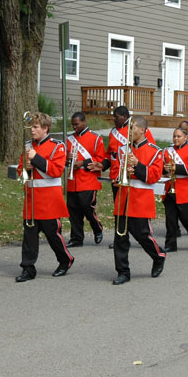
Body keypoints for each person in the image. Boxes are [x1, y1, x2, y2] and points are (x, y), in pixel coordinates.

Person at [15, 112, 74, 282]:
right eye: (31, 127)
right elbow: (21, 171)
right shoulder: (27, 145)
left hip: (49, 198)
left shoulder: (58, 146)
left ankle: (65, 260)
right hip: (31, 197)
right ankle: (28, 268)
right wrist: (26, 168)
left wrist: (35, 159)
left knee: (52, 234)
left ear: (45, 128)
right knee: (29, 236)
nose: (32, 130)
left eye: (35, 127)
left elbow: (56, 171)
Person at [112, 116, 166, 285]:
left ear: (142, 130)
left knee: (143, 235)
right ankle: (123, 271)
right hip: (123, 197)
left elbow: (154, 177)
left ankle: (158, 256)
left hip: (141, 199)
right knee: (120, 237)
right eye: (128, 128)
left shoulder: (155, 151)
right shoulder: (122, 150)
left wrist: (137, 164)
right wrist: (121, 174)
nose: (129, 131)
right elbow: (114, 173)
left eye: (132, 128)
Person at [98, 105, 156, 249]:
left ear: (125, 116)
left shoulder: (139, 128)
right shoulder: (113, 132)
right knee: (120, 212)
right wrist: (102, 165)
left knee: (134, 214)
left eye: (116, 116)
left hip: (135, 177)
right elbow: (111, 153)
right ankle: (121, 238)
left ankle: (142, 237)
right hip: (117, 177)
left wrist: (137, 167)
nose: (114, 119)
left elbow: (149, 152)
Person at [65, 112, 105, 247]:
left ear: (84, 122)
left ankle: (97, 228)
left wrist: (82, 163)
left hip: (88, 180)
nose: (74, 127)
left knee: (87, 207)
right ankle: (76, 238)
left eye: (77, 124)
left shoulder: (96, 138)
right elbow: (62, 160)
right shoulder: (69, 139)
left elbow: (100, 159)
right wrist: (67, 159)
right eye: (73, 125)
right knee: (73, 210)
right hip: (72, 181)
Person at [162, 127, 188, 252]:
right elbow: (160, 167)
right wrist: (165, 169)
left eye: (178, 136)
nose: (175, 139)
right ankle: (170, 244)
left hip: (185, 189)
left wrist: (176, 168)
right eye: (174, 136)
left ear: (186, 137)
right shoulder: (167, 150)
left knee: (186, 218)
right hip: (170, 187)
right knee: (170, 219)